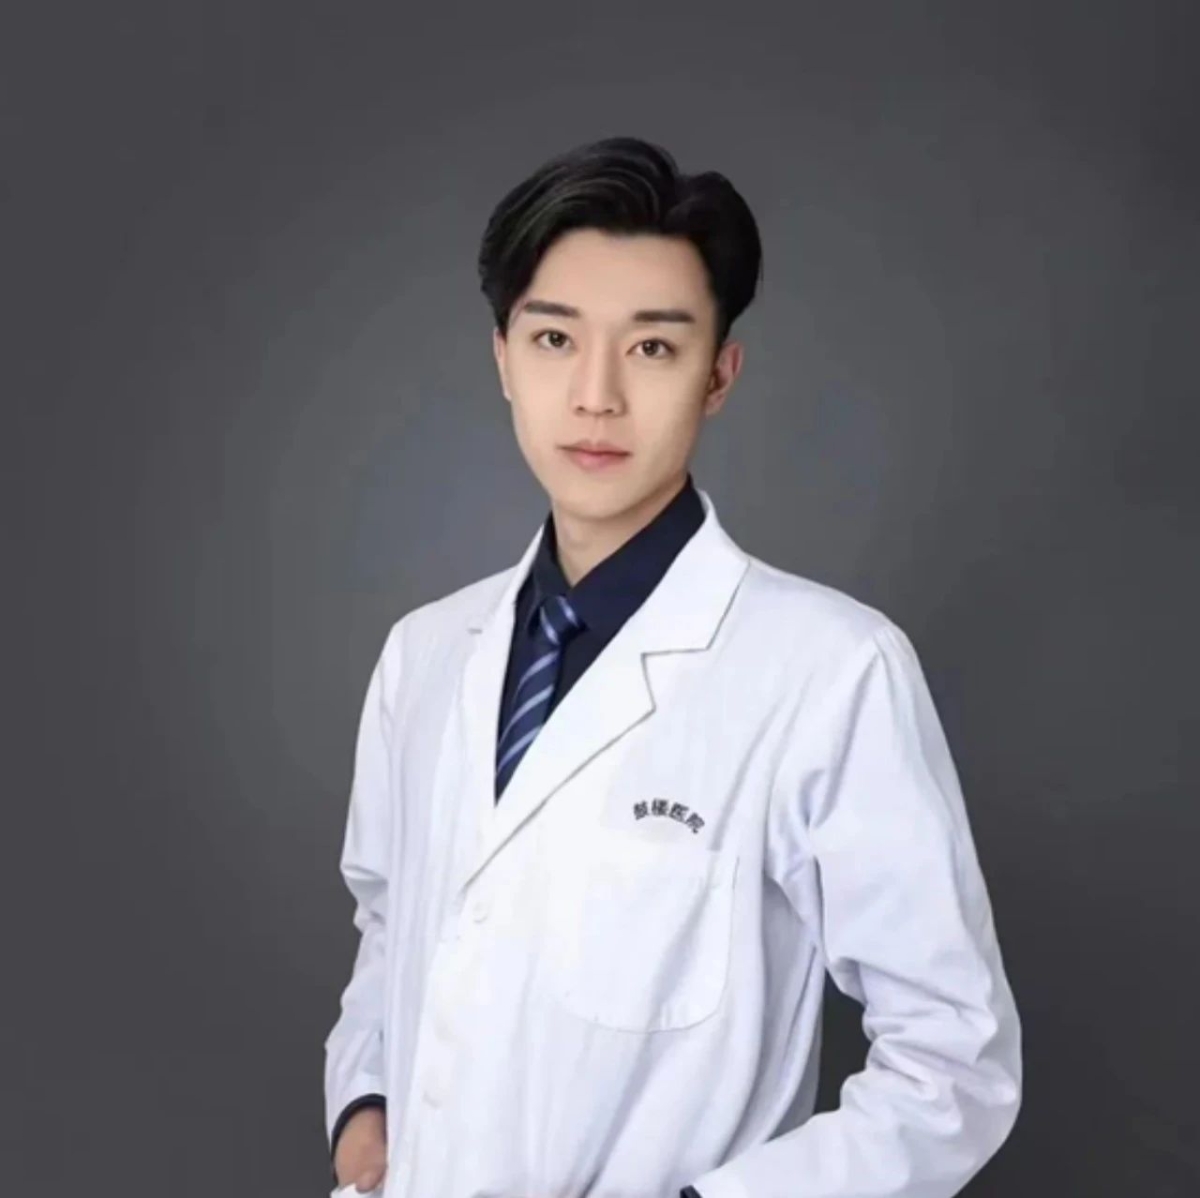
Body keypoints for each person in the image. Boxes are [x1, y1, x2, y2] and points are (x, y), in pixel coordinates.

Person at [323, 135, 1021, 1198]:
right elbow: (393, 922)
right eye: (555, 338)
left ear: (719, 376)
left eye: (652, 347)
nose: (595, 395)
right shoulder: (425, 652)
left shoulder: (832, 671)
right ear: (503, 358)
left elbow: (954, 1066)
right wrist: (363, 1108)